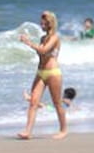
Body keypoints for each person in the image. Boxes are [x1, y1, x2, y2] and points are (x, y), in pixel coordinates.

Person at [16, 11, 69, 140]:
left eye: (43, 23)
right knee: (33, 102)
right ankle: (27, 131)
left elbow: (44, 50)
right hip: (41, 72)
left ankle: (63, 130)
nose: (41, 25)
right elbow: (41, 55)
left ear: (50, 23)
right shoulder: (42, 38)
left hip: (53, 73)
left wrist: (28, 42)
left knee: (56, 103)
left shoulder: (55, 37)